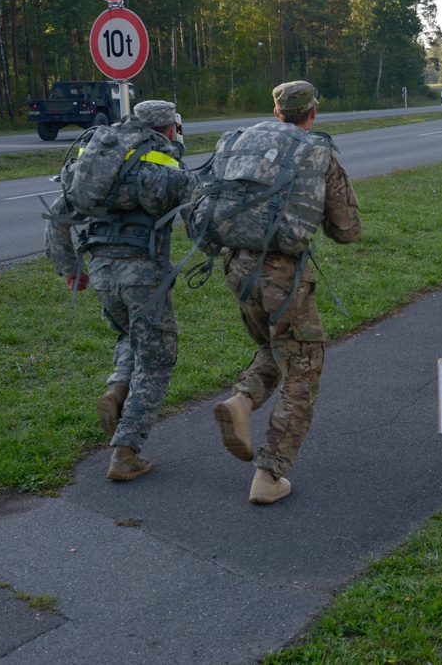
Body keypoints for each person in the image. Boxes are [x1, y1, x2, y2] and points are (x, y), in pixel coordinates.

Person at [212, 81, 362, 504]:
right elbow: (348, 230)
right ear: (312, 112)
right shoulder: (316, 152)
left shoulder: (245, 144)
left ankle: (243, 400)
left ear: (277, 112)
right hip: (283, 277)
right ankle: (269, 475)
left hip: (237, 267)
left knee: (275, 348)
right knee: (303, 370)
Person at [45, 100, 195, 481]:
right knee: (158, 360)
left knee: (129, 336)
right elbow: (199, 217)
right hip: (143, 273)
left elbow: (58, 217)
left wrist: (69, 270)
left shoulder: (101, 163)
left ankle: (117, 389)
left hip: (101, 271)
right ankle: (125, 453)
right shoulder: (167, 162)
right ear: (168, 129)